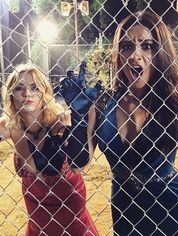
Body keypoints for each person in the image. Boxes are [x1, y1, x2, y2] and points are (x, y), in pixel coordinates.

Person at [60, 11, 178, 236]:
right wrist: (80, 117)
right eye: (126, 46)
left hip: (173, 213)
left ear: (159, 52)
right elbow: (78, 164)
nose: (135, 55)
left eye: (147, 46)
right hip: (126, 214)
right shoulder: (102, 104)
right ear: (118, 55)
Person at [0, 64, 99, 235]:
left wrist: (80, 117)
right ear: (11, 95)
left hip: (71, 211)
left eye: (34, 87)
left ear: (44, 92)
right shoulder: (9, 125)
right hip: (38, 218)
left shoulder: (61, 120)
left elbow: (80, 162)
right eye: (19, 88)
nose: (27, 94)